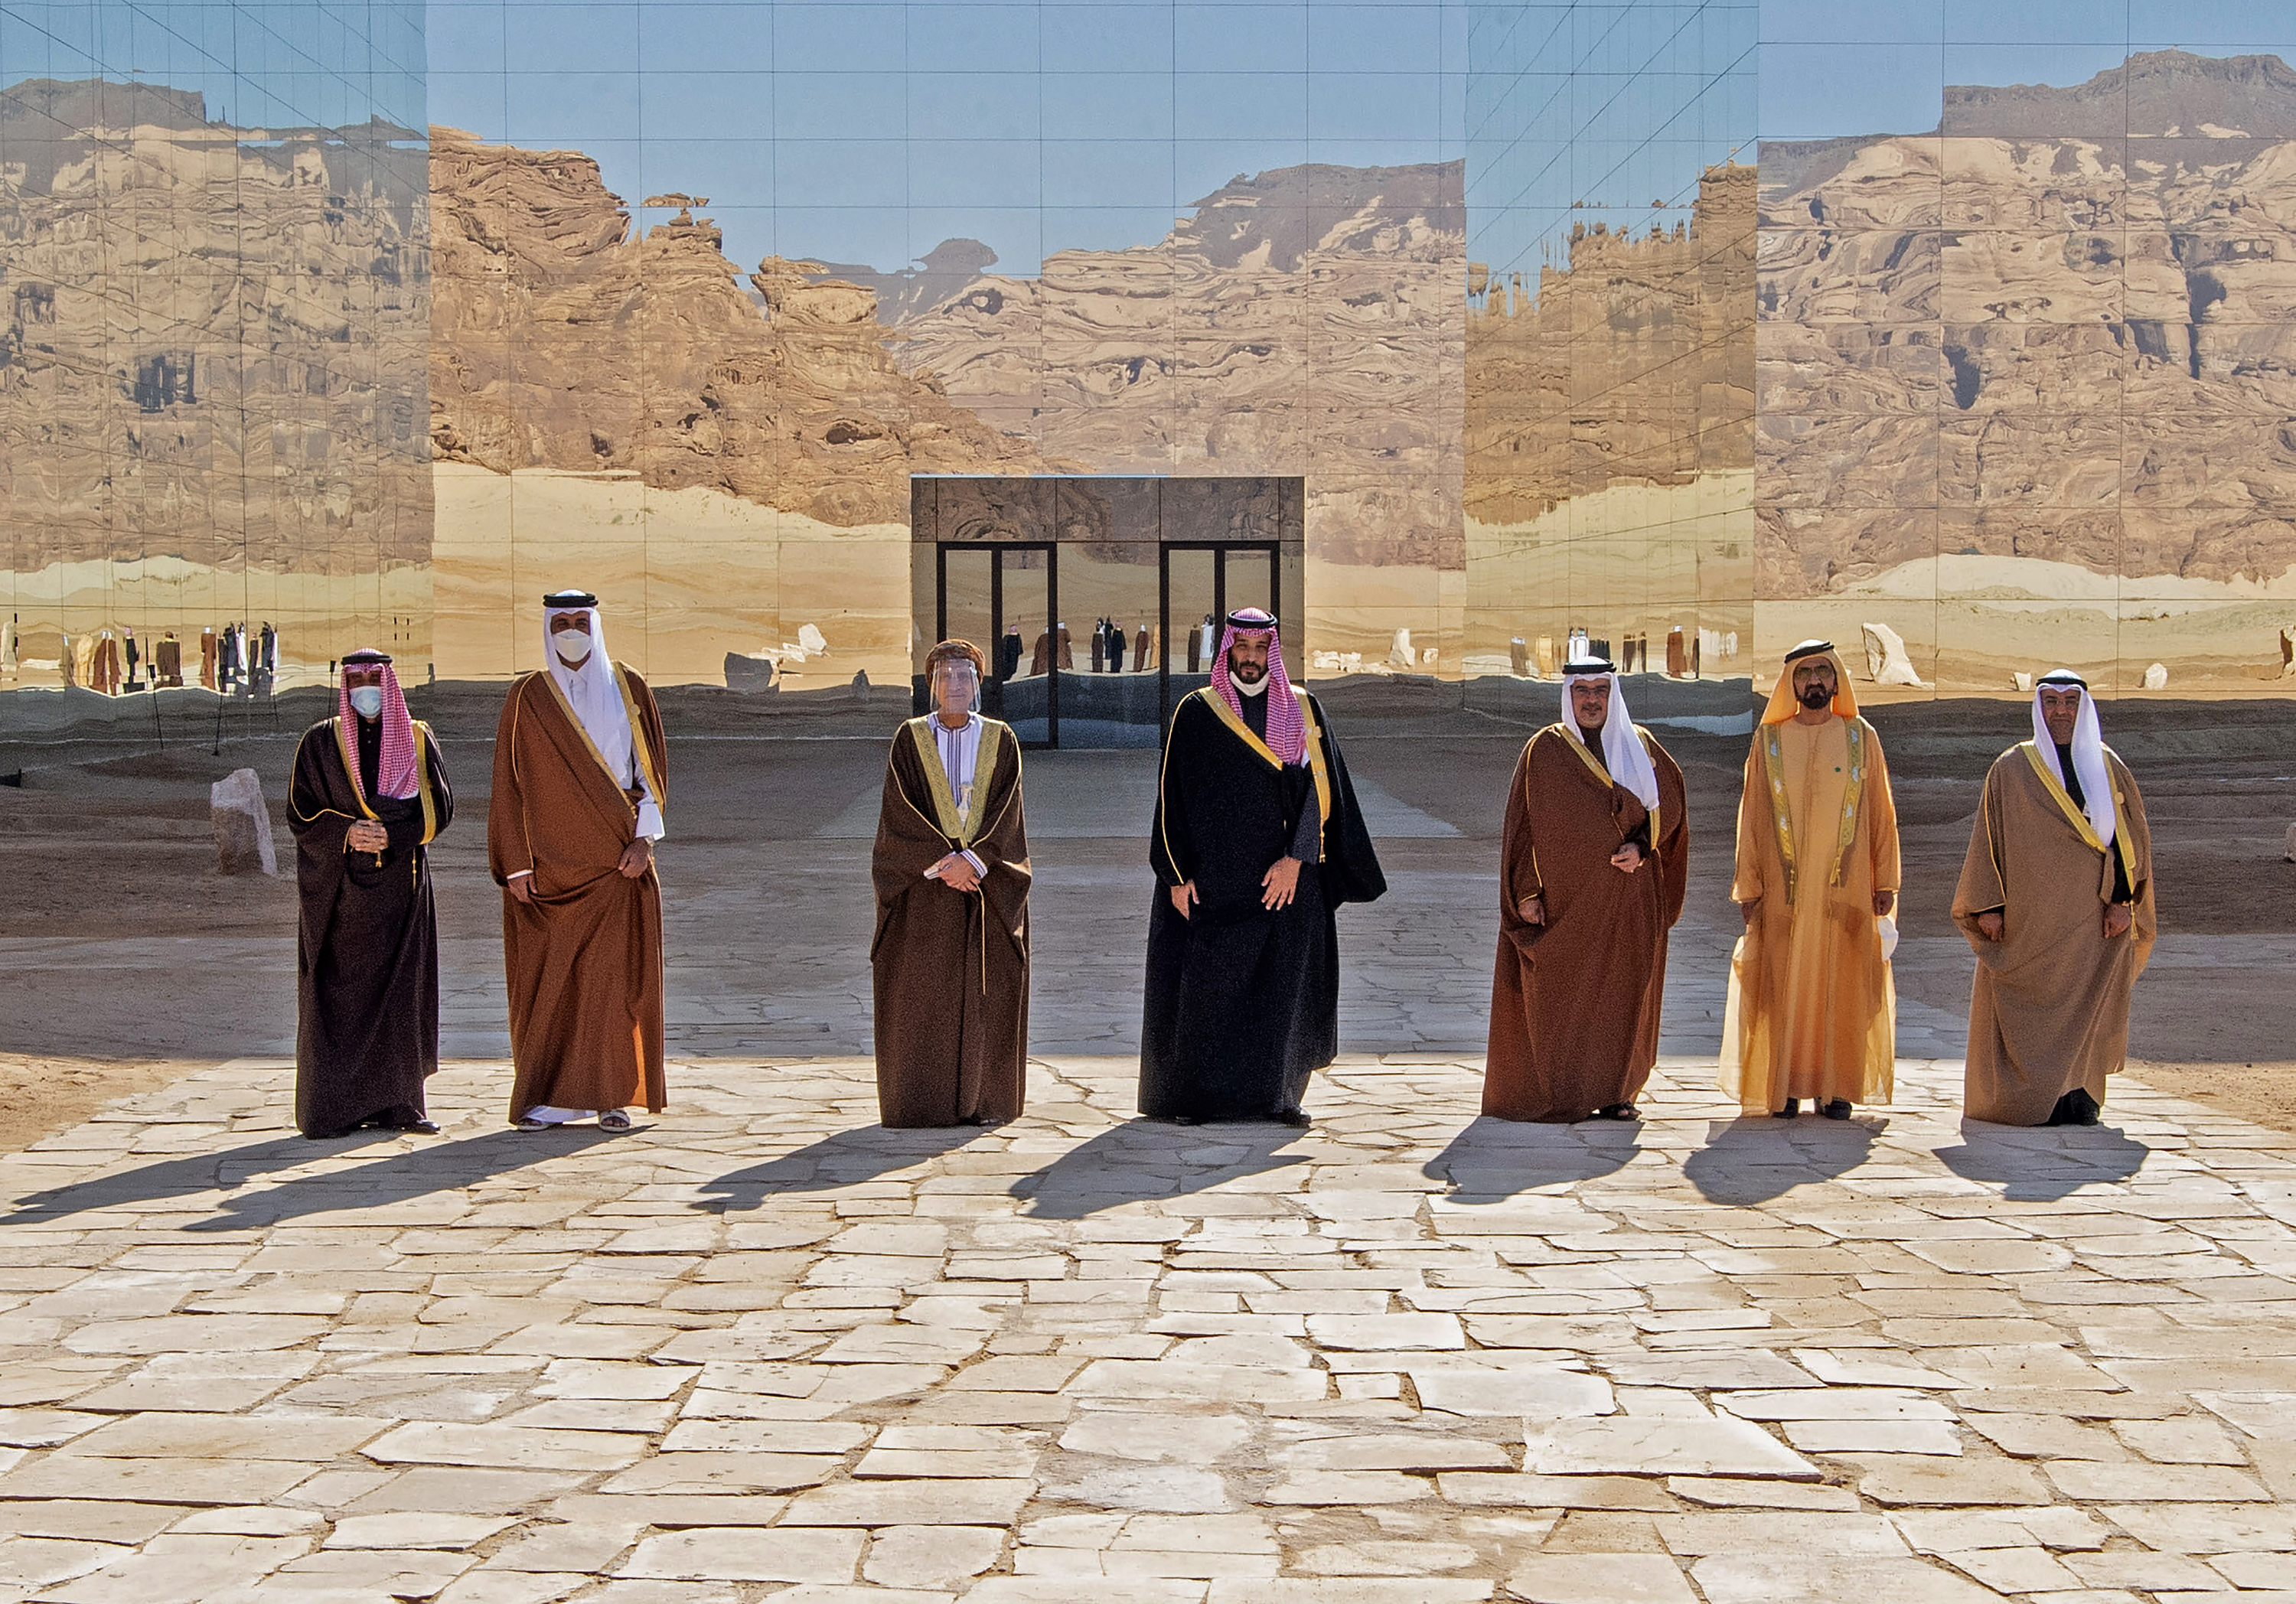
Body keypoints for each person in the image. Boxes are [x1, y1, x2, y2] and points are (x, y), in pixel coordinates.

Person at [1140, 608, 1386, 1125]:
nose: (1251, 659)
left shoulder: (1302, 710)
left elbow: (1321, 794)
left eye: (1260, 649)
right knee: (1210, 995)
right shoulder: (1196, 712)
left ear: (1270, 651)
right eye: (1242, 648)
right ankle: (1197, 1102)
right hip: (1215, 885)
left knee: (1283, 992)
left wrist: (1297, 859)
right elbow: (1171, 800)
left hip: (1286, 884)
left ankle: (1280, 1099)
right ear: (1227, 649)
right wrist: (1175, 875)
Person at [488, 592, 669, 1133]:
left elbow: (651, 774)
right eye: (561, 623)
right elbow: (507, 786)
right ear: (548, 628)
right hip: (548, 878)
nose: (571, 632)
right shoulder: (526, 697)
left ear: (595, 624)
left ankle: (611, 1096)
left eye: (579, 622)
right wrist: (516, 866)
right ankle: (549, 1100)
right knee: (551, 988)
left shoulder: (629, 686)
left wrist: (645, 842)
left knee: (613, 988)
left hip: (617, 867)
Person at [1486, 659, 1689, 1122]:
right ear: (1569, 695)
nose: (1592, 699)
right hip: (1566, 905)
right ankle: (1565, 1092)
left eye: (1601, 689)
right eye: (1582, 690)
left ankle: (1618, 1093)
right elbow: (1522, 828)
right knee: (1566, 998)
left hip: (1629, 901)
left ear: (1612, 693)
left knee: (1624, 996)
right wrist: (1527, 893)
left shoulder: (1641, 747)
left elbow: (1671, 808)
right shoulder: (1546, 750)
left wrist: (1641, 845)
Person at [1952, 671, 2156, 1126]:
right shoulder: (2011, 768)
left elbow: (2130, 840)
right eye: (2051, 702)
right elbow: (1988, 842)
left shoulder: (2108, 766)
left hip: (2092, 918)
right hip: (2028, 921)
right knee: (2028, 1013)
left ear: (2083, 708)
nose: (2061, 711)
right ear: (2038, 708)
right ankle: (2026, 1099)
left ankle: (2079, 1095)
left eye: (2069, 702)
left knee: (2087, 1006)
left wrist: (2123, 901)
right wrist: (1988, 905)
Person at [1721, 641, 1902, 1119]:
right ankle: (1786, 1089)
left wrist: (1885, 880)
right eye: (1805, 674)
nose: (1815, 681)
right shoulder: (1769, 741)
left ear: (1837, 680)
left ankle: (1836, 1087)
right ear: (1791, 684)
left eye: (1823, 672)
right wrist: (1751, 884)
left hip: (1847, 891)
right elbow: (1753, 816)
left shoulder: (1862, 737)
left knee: (1843, 985)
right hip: (1785, 894)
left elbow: (1882, 814)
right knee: (1783, 986)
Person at [285, 650, 453, 1138]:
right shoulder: (319, 742)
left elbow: (440, 807)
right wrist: (348, 832)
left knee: (401, 997)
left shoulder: (418, 739)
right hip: (342, 903)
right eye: (355, 678)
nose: (364, 686)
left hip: (402, 894)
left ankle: (402, 1106)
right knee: (339, 999)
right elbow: (300, 814)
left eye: (372, 678)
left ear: (389, 681)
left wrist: (394, 837)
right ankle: (333, 1109)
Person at [870, 639, 1031, 1127]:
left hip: (987, 886)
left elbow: (1008, 813)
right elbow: (899, 813)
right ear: (931, 684)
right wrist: (946, 863)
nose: (955, 685)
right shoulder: (909, 737)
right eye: (945, 676)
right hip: (926, 889)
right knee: (927, 995)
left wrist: (976, 862)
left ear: (978, 683)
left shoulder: (1001, 739)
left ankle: (986, 1101)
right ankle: (924, 1103)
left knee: (987, 993)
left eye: (964, 675)